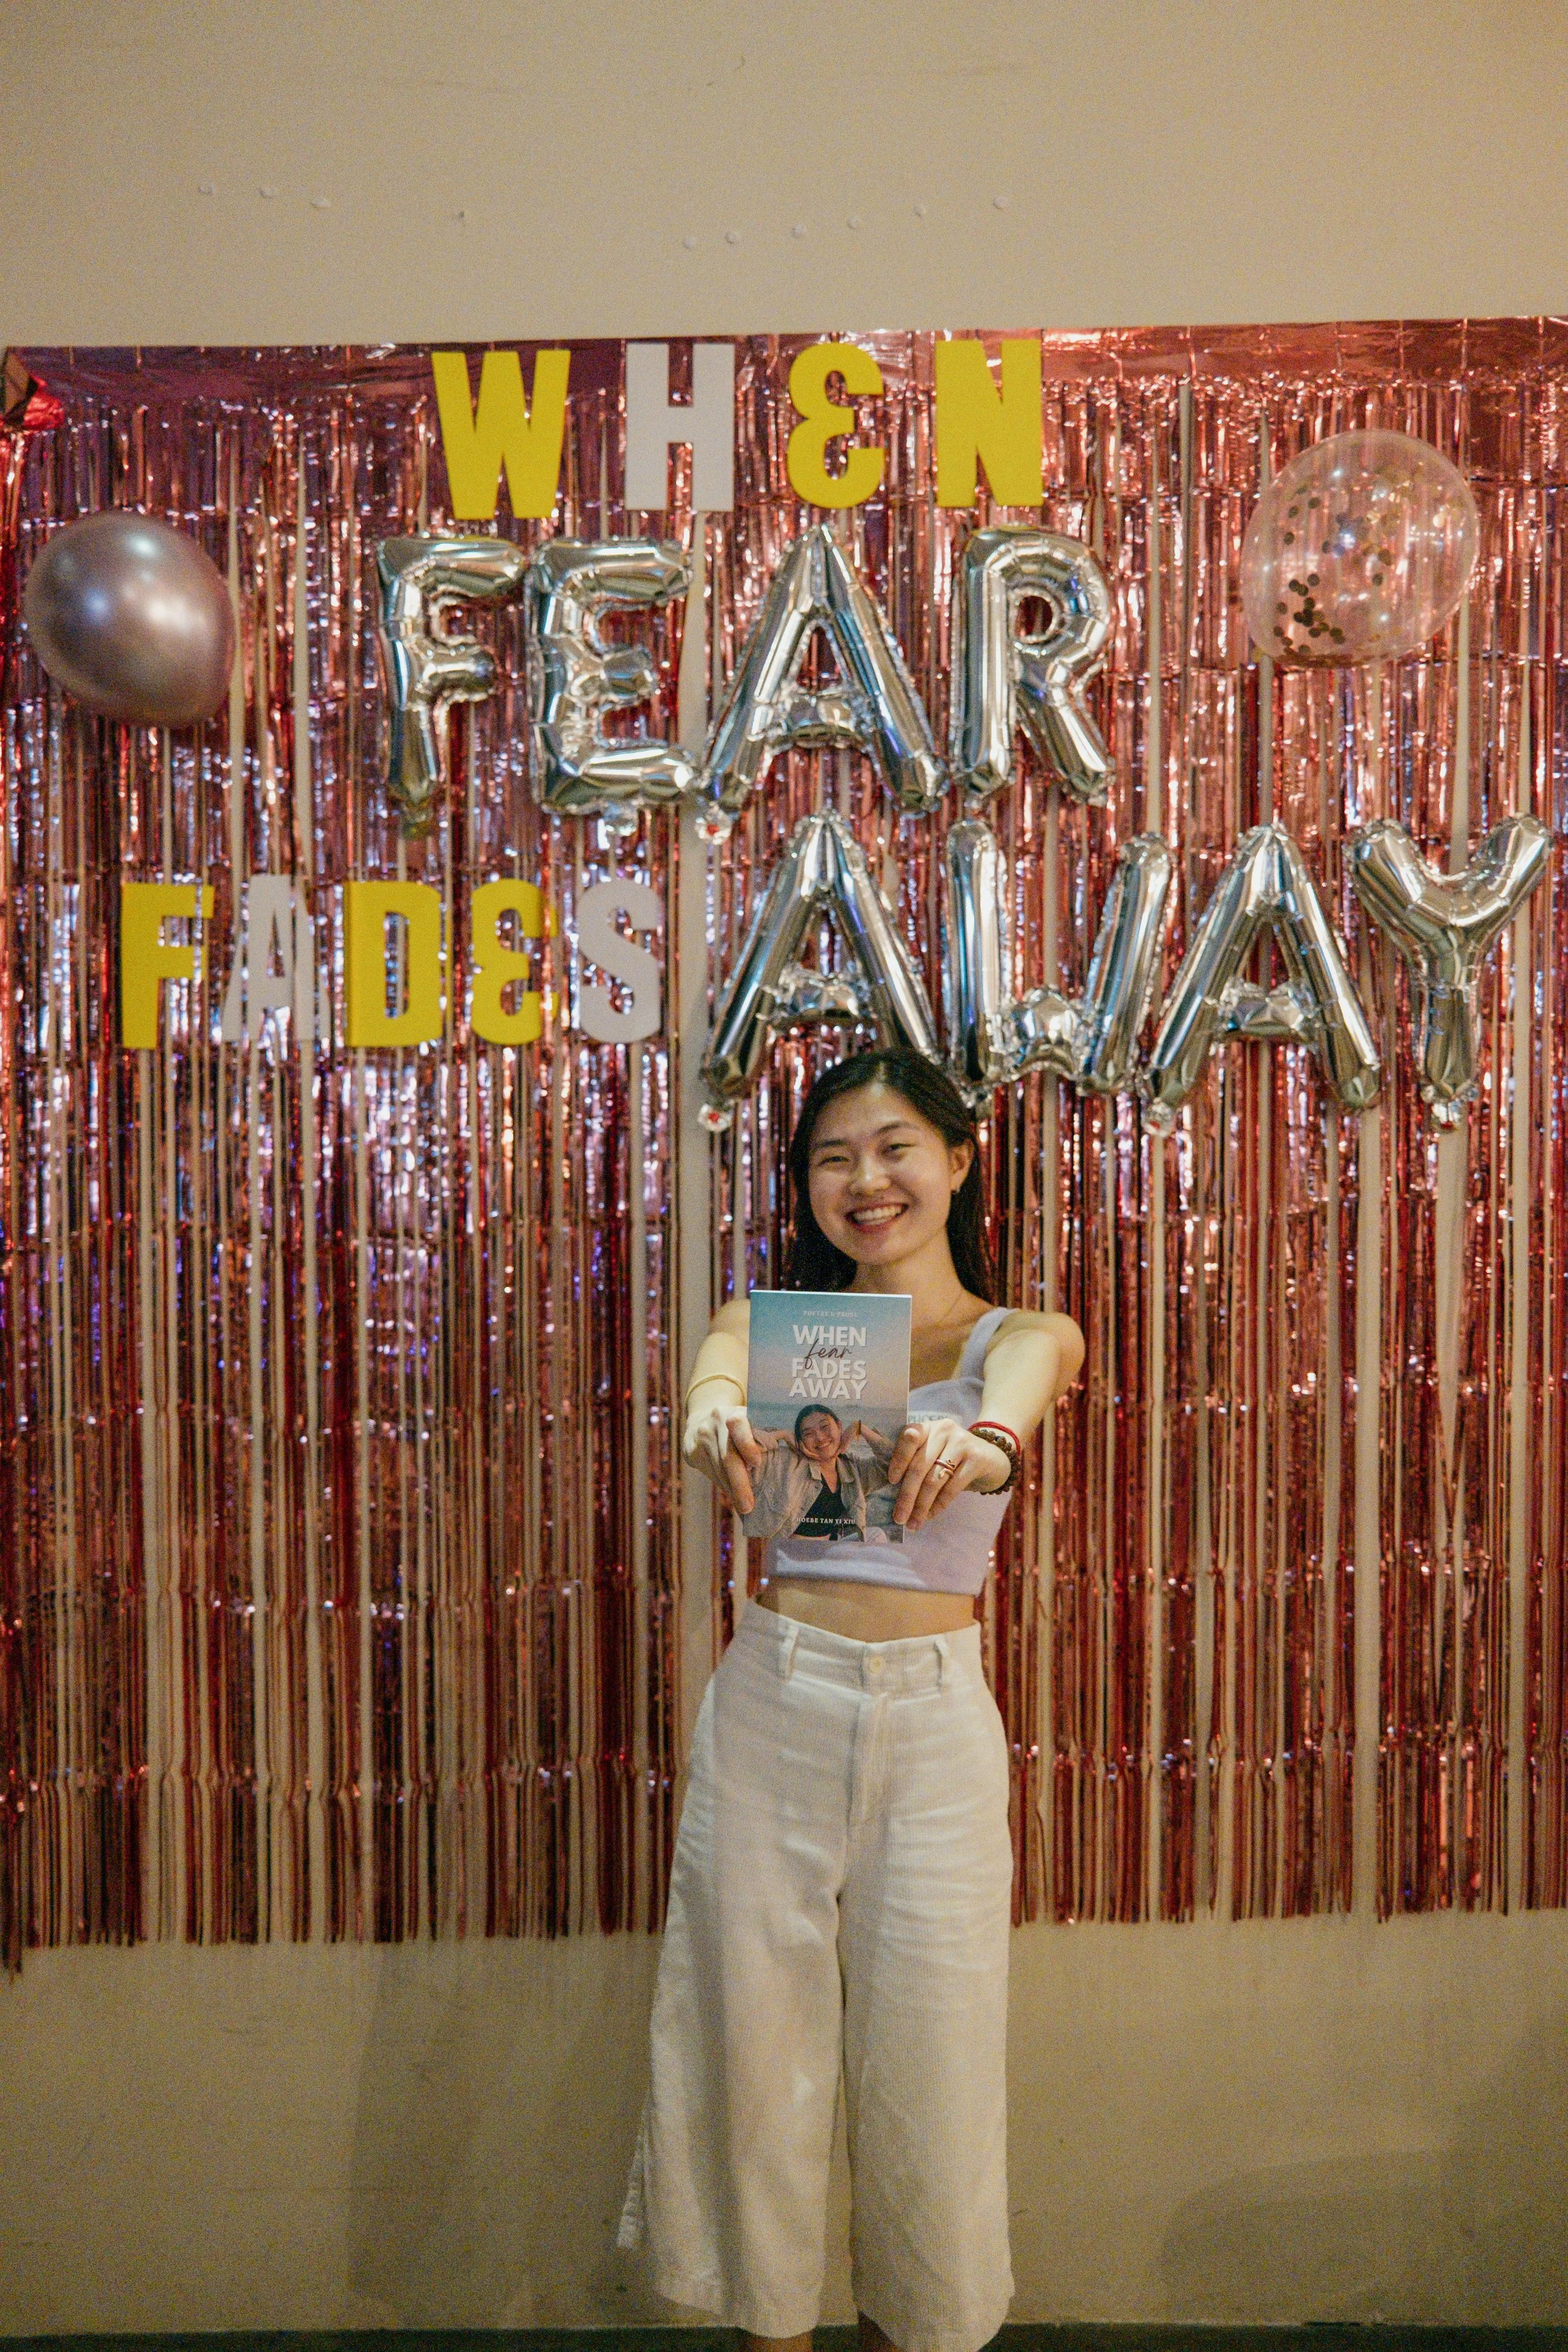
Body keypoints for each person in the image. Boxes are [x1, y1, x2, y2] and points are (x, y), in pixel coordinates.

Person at [619, 1047, 1084, 2352]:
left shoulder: (1018, 1333)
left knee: (934, 2065)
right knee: (750, 2053)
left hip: (936, 1715)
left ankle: (922, 2332)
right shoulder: (775, 1330)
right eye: (832, 1157)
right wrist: (715, 1421)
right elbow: (712, 1385)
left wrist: (977, 1444)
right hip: (776, 1694)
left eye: (892, 1148)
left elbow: (1013, 1412)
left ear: (957, 1160)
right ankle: (767, 2332)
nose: (866, 1181)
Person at [743, 1404, 898, 1544]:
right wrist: (782, 1435)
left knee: (877, 1535)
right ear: (800, 1441)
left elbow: (895, 1467)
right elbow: (747, 1447)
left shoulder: (852, 1470)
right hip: (788, 1551)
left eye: (824, 1427)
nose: (819, 1438)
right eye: (808, 1434)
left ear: (839, 1426)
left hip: (830, 1551)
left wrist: (861, 1429)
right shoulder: (787, 1462)